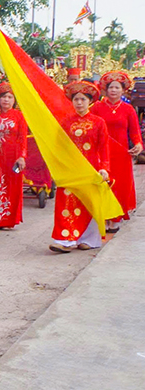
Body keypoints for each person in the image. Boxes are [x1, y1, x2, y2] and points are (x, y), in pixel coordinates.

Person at [50, 81, 111, 253]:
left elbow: (104, 147)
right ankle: (65, 240)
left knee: (88, 203)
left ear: (89, 101)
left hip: (90, 169)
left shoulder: (98, 122)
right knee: (65, 202)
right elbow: (59, 148)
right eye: (76, 99)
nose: (79, 103)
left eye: (83, 99)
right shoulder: (65, 122)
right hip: (70, 170)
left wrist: (104, 168)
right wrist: (58, 168)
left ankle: (88, 239)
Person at [91, 70, 142, 232]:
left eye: (117, 88)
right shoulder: (96, 108)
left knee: (119, 185)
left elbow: (135, 132)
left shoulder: (128, 109)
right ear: (105, 89)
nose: (113, 90)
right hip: (100, 152)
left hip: (121, 153)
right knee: (103, 184)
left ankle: (116, 217)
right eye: (111, 87)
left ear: (123, 90)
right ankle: (103, 216)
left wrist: (139, 144)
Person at [0, 82, 28, 230]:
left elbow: (22, 138)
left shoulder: (19, 116)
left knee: (12, 185)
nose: (6, 100)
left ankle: (8, 221)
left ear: (14, 100)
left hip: (12, 156)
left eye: (10, 97)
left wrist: (21, 156)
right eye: (4, 97)